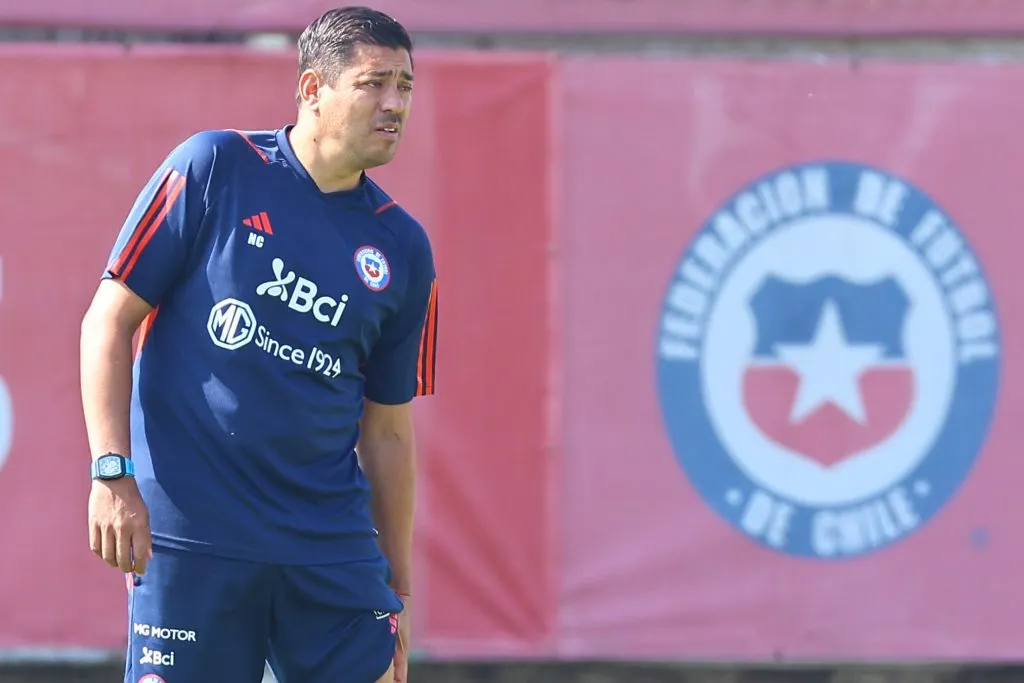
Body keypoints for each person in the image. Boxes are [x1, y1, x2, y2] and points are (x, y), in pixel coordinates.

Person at [79, 7, 437, 683]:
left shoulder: (404, 248)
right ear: (311, 90)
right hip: (193, 539)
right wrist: (110, 472)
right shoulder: (214, 167)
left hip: (328, 551)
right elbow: (107, 321)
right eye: (374, 83)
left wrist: (401, 589)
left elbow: (387, 431)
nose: (395, 104)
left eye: (406, 86)